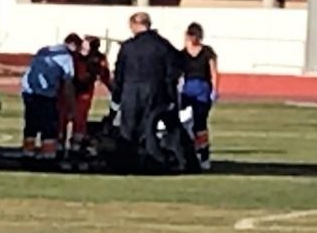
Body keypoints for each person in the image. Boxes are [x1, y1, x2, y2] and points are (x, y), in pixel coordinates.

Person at [113, 12, 190, 171]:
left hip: (131, 90)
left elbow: (119, 72)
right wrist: (170, 94)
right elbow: (173, 70)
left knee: (128, 128)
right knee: (149, 127)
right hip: (155, 90)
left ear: (134, 25)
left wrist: (116, 95)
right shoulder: (162, 45)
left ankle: (126, 163)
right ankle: (153, 161)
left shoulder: (128, 47)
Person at [21, 34, 79, 162]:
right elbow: (68, 82)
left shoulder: (44, 50)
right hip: (46, 94)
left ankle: (28, 152)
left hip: (29, 92)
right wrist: (72, 105)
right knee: (49, 125)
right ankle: (48, 154)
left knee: (31, 123)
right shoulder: (66, 58)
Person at [180, 22, 220, 170]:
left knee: (200, 122)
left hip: (202, 88)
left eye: (195, 34)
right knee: (181, 120)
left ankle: (204, 155)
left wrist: (214, 89)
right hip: (187, 88)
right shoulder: (183, 53)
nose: (192, 37)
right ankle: (188, 150)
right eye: (190, 34)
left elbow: (214, 72)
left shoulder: (207, 52)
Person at [64, 36, 113, 148]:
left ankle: (76, 143)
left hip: (84, 90)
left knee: (79, 117)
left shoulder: (98, 59)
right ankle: (63, 142)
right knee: (66, 116)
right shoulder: (74, 56)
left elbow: (104, 75)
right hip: (71, 88)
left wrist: (112, 89)